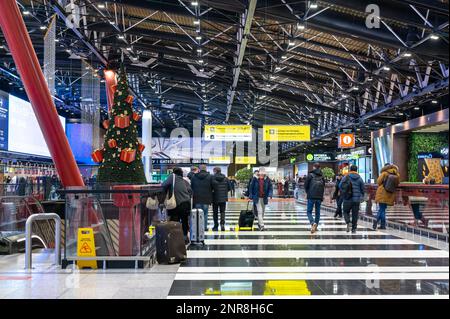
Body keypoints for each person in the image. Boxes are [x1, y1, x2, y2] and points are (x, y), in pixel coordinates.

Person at [162, 167, 192, 244]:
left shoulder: (172, 177)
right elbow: (190, 191)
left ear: (173, 172)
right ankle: (185, 237)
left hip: (177, 204)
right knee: (185, 221)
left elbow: (163, 185)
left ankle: (175, 238)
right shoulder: (185, 181)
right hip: (186, 203)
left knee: (175, 221)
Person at [374, 163, 400, 230]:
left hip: (382, 193)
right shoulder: (397, 175)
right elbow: (397, 184)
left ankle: (376, 220)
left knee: (381, 209)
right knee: (383, 209)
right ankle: (383, 225)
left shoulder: (384, 173)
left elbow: (378, 182)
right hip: (390, 194)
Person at [340, 165, 365, 233]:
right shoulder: (360, 178)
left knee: (345, 211)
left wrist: (343, 192)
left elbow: (340, 185)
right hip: (356, 200)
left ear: (350, 170)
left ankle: (348, 222)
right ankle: (354, 229)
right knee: (355, 214)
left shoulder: (346, 177)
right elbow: (363, 189)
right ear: (356, 170)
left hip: (347, 198)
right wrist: (362, 196)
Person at [191, 164, 214, 231]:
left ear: (199, 169)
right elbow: (212, 187)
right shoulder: (210, 176)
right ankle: (204, 227)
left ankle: (198, 227)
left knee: (197, 214)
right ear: (206, 169)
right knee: (205, 214)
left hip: (197, 198)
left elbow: (191, 187)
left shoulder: (194, 176)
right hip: (207, 198)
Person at [304, 163, 325, 234]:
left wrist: (308, 192)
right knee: (317, 212)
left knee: (309, 211)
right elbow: (323, 186)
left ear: (314, 167)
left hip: (311, 196)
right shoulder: (322, 176)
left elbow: (305, 185)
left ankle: (312, 223)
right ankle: (316, 225)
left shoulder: (310, 175)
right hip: (319, 196)